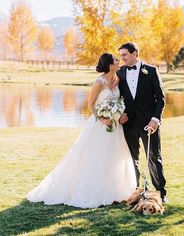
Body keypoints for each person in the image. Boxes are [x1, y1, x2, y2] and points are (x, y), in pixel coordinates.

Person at [27, 53, 136, 208]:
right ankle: (94, 190)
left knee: (114, 155)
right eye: (116, 60)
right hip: (100, 125)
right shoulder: (99, 82)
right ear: (110, 65)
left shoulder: (118, 79)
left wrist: (118, 115)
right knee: (97, 156)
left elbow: (118, 102)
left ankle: (113, 190)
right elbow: (91, 104)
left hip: (115, 126)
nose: (120, 61)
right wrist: (102, 118)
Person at [117, 43, 167, 202]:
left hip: (148, 123)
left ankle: (160, 193)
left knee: (153, 156)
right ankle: (135, 192)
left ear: (135, 54)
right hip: (128, 123)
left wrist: (155, 120)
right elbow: (117, 98)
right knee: (131, 158)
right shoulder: (120, 73)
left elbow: (161, 98)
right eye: (121, 55)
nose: (122, 58)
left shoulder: (151, 71)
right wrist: (120, 114)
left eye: (124, 55)